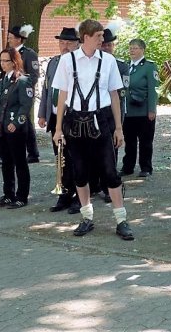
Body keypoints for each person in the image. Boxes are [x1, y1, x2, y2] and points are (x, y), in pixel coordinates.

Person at [52, 19, 134, 241]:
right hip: (75, 122)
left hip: (101, 119)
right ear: (86, 37)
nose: (102, 39)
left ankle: (121, 220)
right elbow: (62, 95)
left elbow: (115, 95)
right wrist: (58, 128)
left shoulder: (108, 61)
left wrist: (119, 128)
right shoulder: (67, 61)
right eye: (98, 36)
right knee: (80, 172)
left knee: (110, 171)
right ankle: (87, 217)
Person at [38, 27, 81, 214]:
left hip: (74, 116)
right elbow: (46, 90)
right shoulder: (53, 62)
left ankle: (79, 197)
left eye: (69, 43)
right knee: (60, 157)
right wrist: (42, 114)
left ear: (78, 44)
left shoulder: (81, 63)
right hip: (56, 116)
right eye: (62, 43)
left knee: (76, 157)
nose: (65, 46)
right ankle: (64, 193)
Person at [0, 47, 34, 208]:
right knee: (6, 162)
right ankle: (8, 193)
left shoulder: (22, 80)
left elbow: (25, 106)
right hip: (1, 126)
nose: (2, 64)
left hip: (15, 127)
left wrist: (17, 123)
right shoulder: (1, 79)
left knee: (19, 161)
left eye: (6, 61)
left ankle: (22, 196)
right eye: (1, 60)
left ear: (14, 62)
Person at [120, 38, 159, 178]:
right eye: (130, 47)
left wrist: (152, 109)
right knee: (129, 142)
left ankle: (146, 167)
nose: (132, 50)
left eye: (135, 48)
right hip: (128, 111)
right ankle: (128, 167)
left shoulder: (149, 66)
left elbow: (153, 89)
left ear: (142, 50)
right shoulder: (126, 66)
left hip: (143, 111)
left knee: (145, 141)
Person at [99, 26, 129, 200]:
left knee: (111, 151)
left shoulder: (121, 66)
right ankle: (96, 184)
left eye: (109, 45)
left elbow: (121, 91)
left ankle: (109, 187)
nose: (107, 48)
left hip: (113, 112)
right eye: (104, 45)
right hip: (96, 113)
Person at [6, 24, 40, 163]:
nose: (8, 40)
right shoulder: (8, 53)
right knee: (10, 118)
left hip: (23, 92)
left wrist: (23, 85)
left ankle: (32, 153)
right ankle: (11, 153)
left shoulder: (29, 53)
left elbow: (34, 75)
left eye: (11, 38)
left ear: (19, 39)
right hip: (10, 92)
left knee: (24, 121)